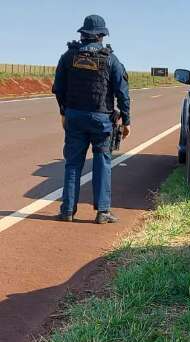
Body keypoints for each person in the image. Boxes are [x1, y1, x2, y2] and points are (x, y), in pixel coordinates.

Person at [53, 14, 131, 224]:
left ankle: (67, 210)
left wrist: (64, 112)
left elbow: (58, 88)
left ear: (83, 34)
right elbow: (122, 92)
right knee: (102, 163)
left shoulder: (68, 56)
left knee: (72, 164)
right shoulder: (111, 59)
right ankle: (103, 211)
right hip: (101, 119)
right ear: (101, 35)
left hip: (75, 117)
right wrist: (126, 119)